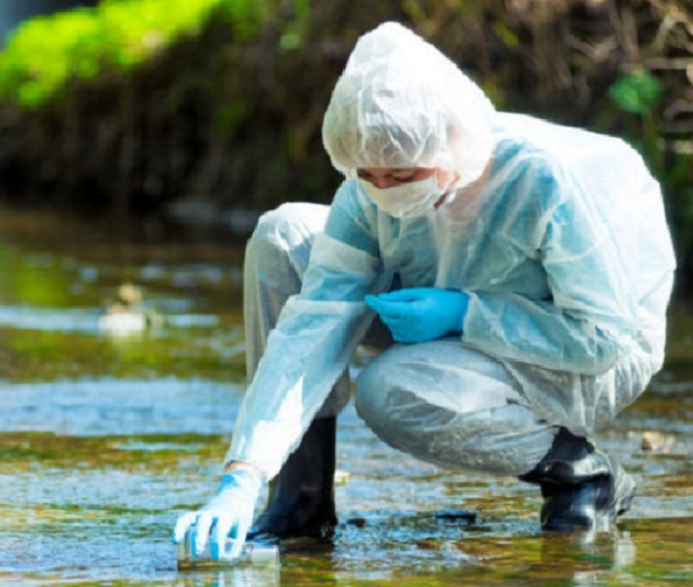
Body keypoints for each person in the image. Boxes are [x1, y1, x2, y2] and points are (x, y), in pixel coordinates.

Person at [173, 21, 676, 561]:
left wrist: (467, 314)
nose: (383, 191)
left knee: (389, 391)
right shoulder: (368, 189)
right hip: (439, 298)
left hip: (580, 349)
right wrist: (242, 475)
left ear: (450, 149)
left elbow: (602, 338)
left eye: (402, 176)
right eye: (368, 174)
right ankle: (300, 500)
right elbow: (312, 325)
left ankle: (579, 472)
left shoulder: (543, 183)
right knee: (285, 234)